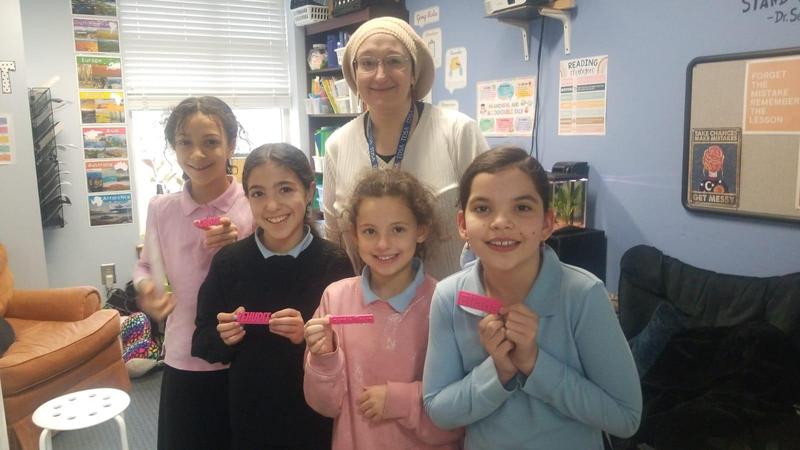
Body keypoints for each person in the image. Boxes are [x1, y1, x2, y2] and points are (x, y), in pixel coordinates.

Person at [422, 146, 642, 449]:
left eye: (522, 208)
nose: (501, 222)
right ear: (462, 224)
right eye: (483, 208)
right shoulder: (449, 297)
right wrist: (497, 371)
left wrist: (534, 363)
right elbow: (438, 410)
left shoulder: (583, 295)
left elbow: (625, 417)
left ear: (547, 224)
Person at [192, 143, 353, 450]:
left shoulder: (334, 262)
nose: (272, 205)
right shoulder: (229, 262)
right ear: (247, 198)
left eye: (285, 189)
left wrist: (306, 338)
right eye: (258, 193)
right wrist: (223, 337)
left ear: (308, 192)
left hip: (315, 416)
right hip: (250, 414)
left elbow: (352, 346)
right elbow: (202, 342)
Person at [304, 168, 463, 450]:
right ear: (354, 234)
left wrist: (401, 401)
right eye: (369, 231)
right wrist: (323, 358)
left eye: (398, 229)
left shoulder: (443, 302)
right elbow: (325, 406)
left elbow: (457, 414)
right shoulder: (335, 298)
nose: (383, 244)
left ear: (421, 230)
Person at [324, 16, 489, 280]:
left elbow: (489, 223)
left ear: (414, 72)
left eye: (394, 61)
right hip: (372, 311)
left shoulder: (458, 132)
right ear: (354, 74)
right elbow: (335, 238)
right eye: (367, 63)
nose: (380, 74)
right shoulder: (337, 145)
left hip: (450, 309)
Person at [133, 96, 254, 450]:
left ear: (230, 144)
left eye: (210, 142)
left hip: (243, 353)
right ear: (174, 146)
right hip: (183, 353)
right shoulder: (162, 209)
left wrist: (239, 246)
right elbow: (146, 266)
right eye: (185, 142)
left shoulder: (253, 204)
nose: (197, 155)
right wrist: (149, 289)